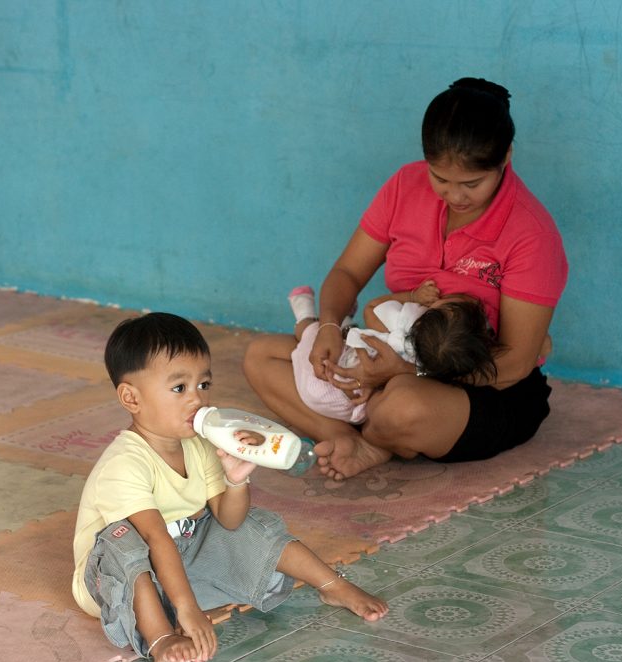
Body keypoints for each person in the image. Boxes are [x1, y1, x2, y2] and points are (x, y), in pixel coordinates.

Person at [243, 77, 568, 480]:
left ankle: (380, 432)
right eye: (440, 178)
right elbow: (347, 272)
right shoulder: (405, 186)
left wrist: (405, 372)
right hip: (389, 353)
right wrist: (328, 327)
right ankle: (345, 435)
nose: (454, 196)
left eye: (472, 183)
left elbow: (517, 362)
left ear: (506, 157)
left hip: (482, 386)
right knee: (262, 356)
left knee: (403, 406)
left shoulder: (530, 232)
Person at [72, 312, 387, 662]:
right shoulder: (124, 464)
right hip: (119, 574)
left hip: (178, 558)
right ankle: (161, 638)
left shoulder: (198, 443)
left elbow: (230, 520)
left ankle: (332, 585)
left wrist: (237, 479)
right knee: (124, 541)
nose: (197, 399)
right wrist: (188, 609)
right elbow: (155, 540)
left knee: (249, 523)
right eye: (179, 388)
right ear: (132, 399)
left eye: (203, 385)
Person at [288, 281, 505, 425]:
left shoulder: (403, 325)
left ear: (423, 316)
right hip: (359, 409)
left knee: (311, 333)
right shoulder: (438, 368)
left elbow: (372, 308)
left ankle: (304, 311)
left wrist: (412, 296)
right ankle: (343, 323)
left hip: (325, 383)